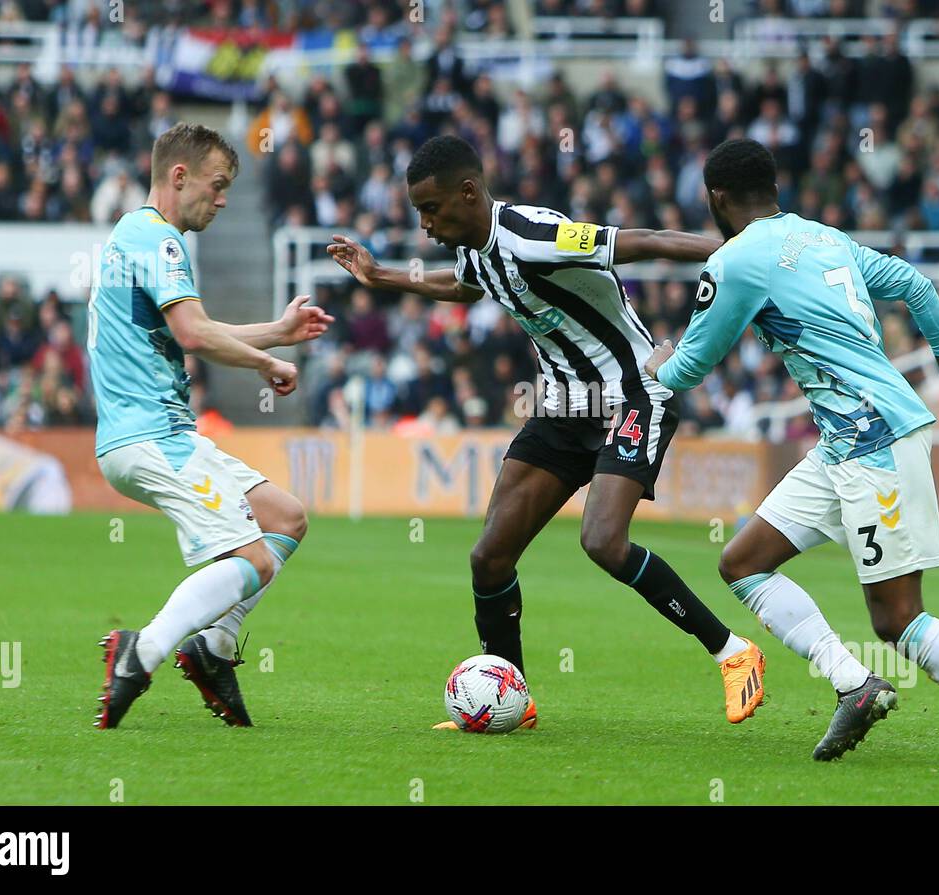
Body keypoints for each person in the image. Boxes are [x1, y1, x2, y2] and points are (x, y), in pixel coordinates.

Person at [645, 139, 939, 769]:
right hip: (844, 439)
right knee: (743, 563)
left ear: (715, 197)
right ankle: (856, 684)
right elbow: (916, 284)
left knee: (898, 620)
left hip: (873, 439)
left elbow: (688, 368)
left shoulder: (735, 260)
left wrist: (658, 363)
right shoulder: (823, 237)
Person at [328, 135, 766, 731]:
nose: (426, 224)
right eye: (418, 214)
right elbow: (462, 285)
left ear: (469, 191)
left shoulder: (533, 235)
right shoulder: (473, 247)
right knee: (489, 557)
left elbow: (640, 242)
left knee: (603, 542)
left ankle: (733, 652)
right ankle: (514, 697)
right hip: (563, 407)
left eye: (432, 209)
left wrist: (741, 250)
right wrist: (381, 276)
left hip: (635, 391)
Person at [88, 123, 333, 729]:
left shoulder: (136, 236)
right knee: (254, 559)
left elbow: (188, 328)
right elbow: (196, 335)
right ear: (179, 176)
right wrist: (269, 361)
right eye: (217, 185)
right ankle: (139, 651)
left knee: (285, 517)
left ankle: (214, 646)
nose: (222, 199)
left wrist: (275, 333)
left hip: (157, 435)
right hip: (152, 438)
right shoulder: (159, 239)